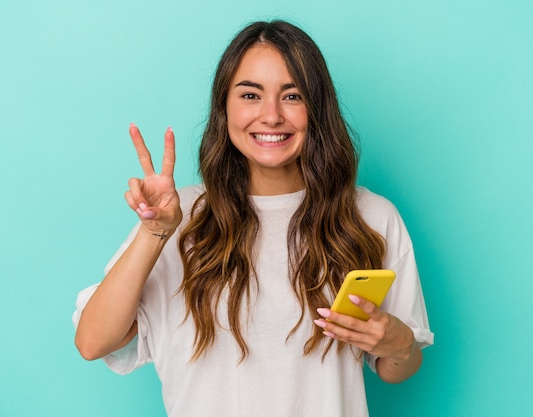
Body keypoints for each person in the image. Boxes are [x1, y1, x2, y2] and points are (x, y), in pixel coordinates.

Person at [73, 20, 433, 417]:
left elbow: (396, 369)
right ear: (224, 106)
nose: (272, 116)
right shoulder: (178, 220)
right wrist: (155, 232)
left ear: (317, 109)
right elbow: (92, 342)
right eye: (250, 95)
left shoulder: (370, 217)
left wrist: (399, 344)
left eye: (292, 96)